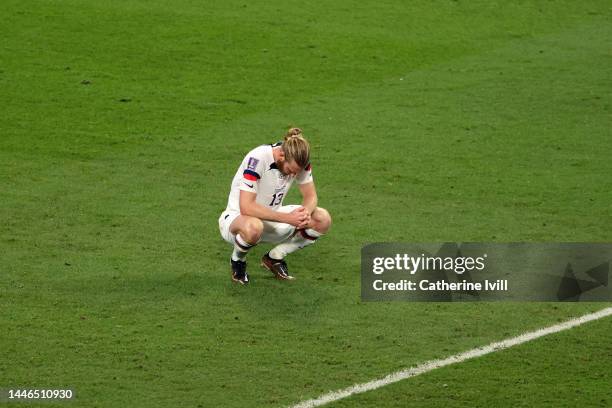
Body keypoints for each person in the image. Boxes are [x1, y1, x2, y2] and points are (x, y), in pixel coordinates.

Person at [218, 128, 332, 284]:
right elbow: (246, 207)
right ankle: (238, 261)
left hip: (273, 219)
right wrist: (288, 218)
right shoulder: (258, 158)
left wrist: (305, 213)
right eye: (290, 170)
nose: (293, 175)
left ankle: (274, 258)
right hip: (237, 220)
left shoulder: (299, 162)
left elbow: (310, 196)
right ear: (281, 155)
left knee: (322, 219)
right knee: (254, 226)